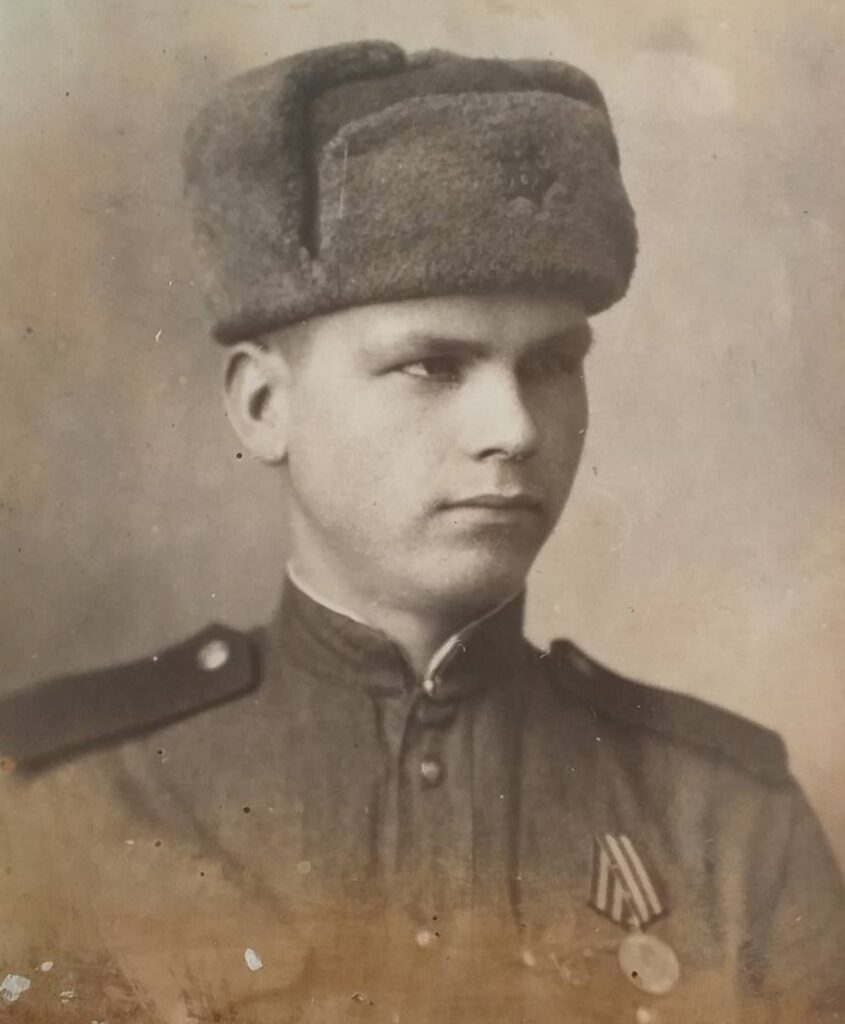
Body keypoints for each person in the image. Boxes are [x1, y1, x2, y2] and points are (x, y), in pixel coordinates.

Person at [1, 39, 843, 1024]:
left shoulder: (728, 823)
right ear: (264, 406)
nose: (514, 429)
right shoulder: (63, 805)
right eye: (432, 366)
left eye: (549, 364)